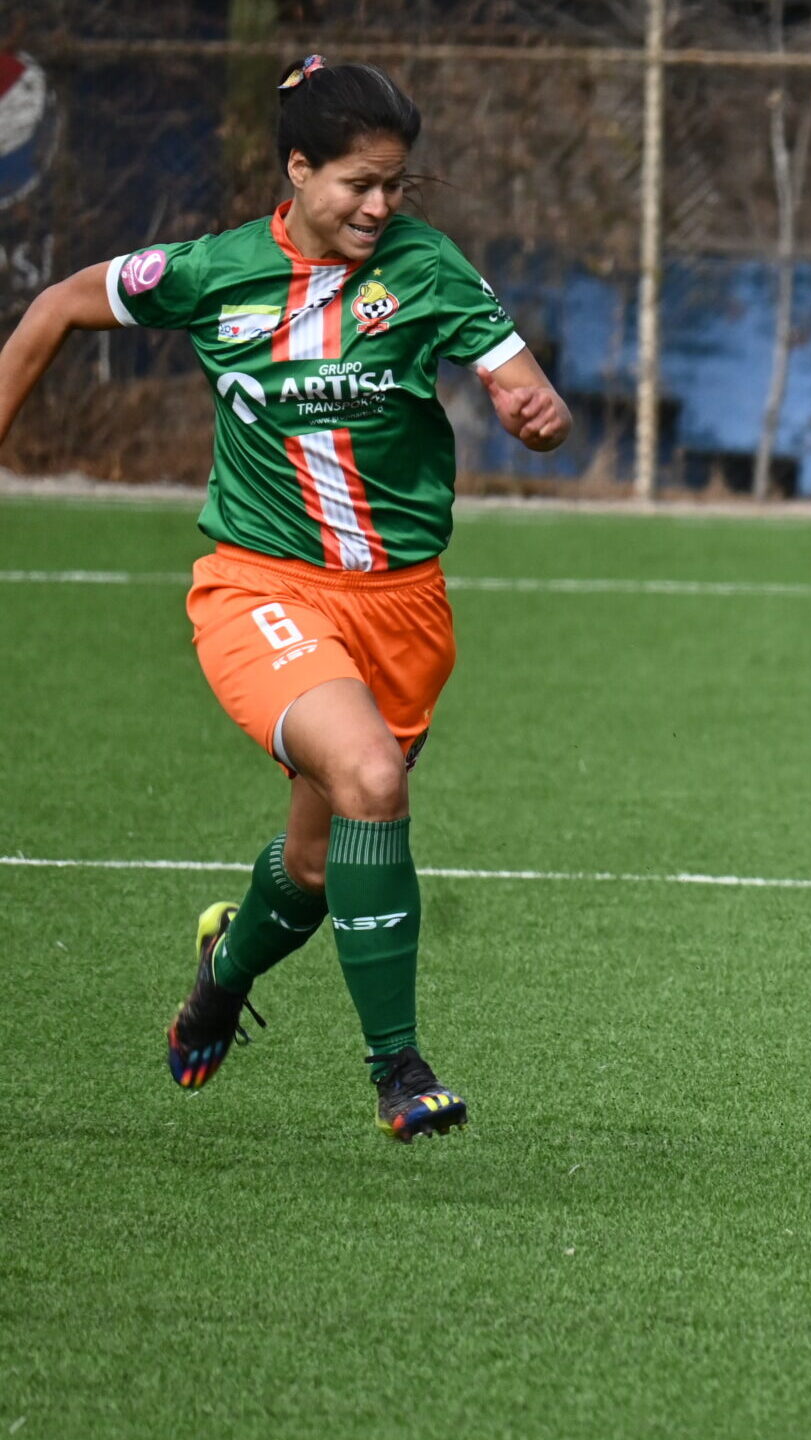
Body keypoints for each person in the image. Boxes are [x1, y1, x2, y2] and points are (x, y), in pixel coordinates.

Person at [0, 56, 570, 1138]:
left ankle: (222, 971)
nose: (379, 206)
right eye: (358, 183)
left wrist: (532, 409)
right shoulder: (211, 272)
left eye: (395, 185)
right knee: (369, 779)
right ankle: (399, 1070)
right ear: (298, 170)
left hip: (401, 609)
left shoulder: (429, 268)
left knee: (313, 866)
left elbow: (521, 384)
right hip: (257, 586)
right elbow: (55, 309)